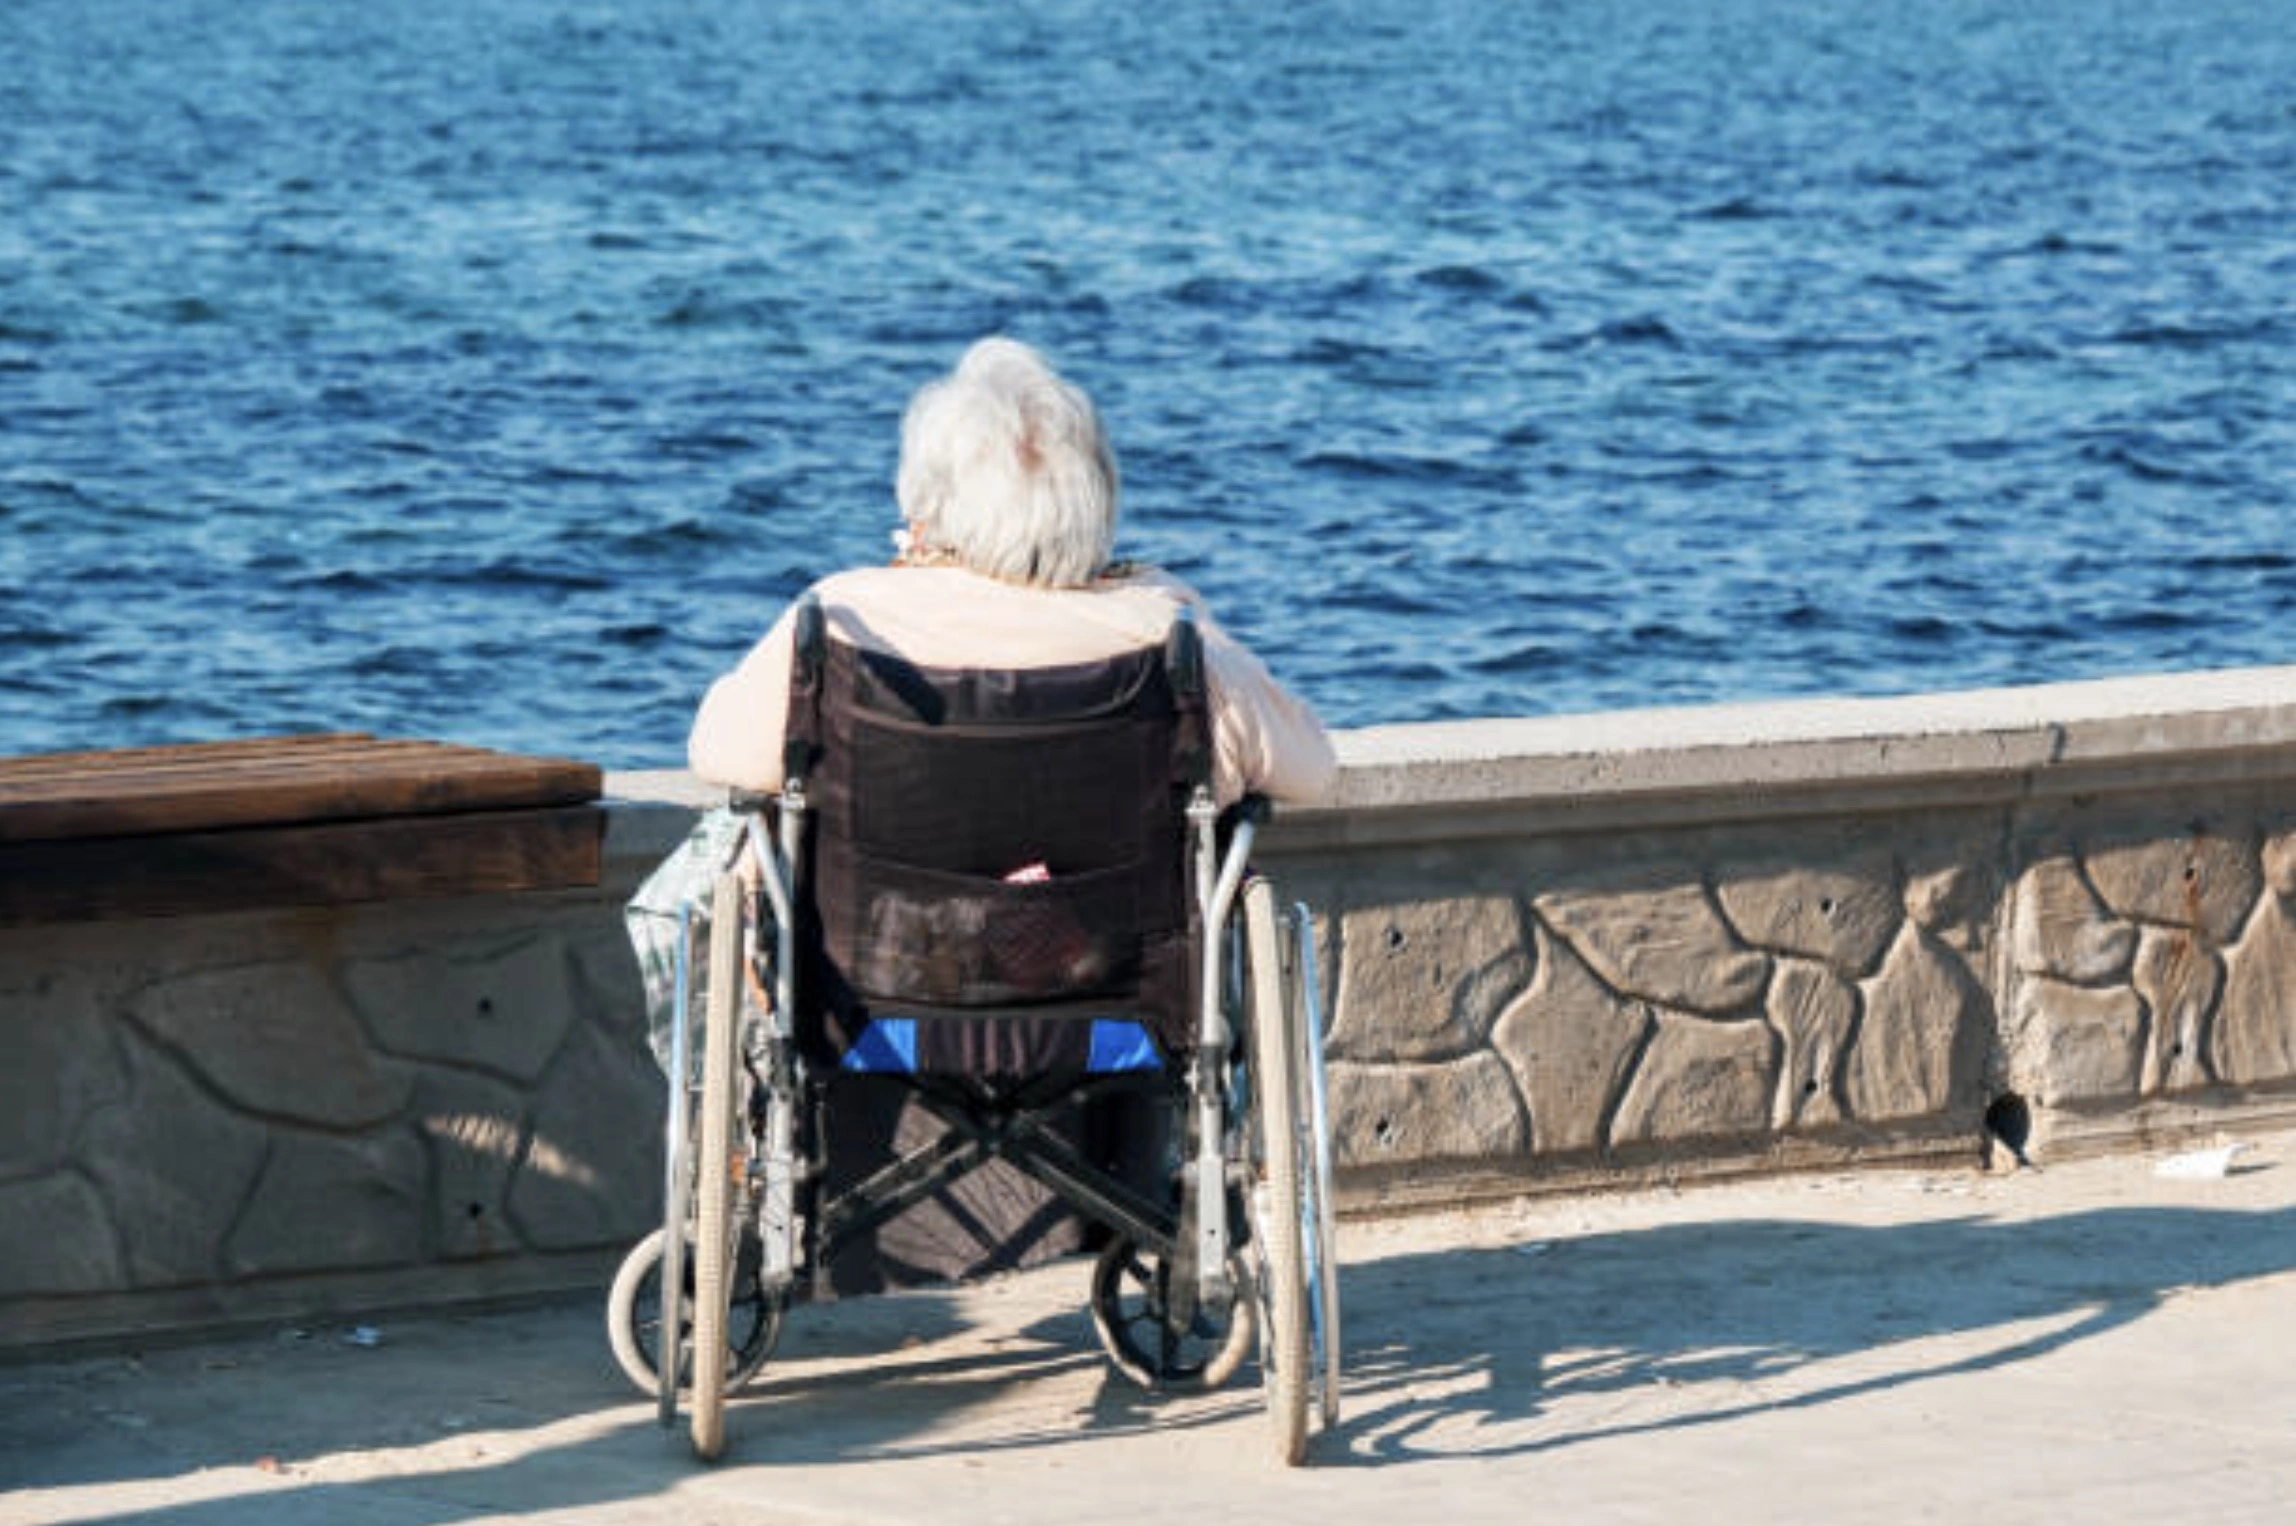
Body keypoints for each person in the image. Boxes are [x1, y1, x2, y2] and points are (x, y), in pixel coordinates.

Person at [687, 336, 1336, 806]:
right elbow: (1313, 768)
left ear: (925, 511)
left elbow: (715, 745)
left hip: (878, 975)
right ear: (1099, 500)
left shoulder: (844, 625)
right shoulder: (1170, 638)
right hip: (1125, 976)